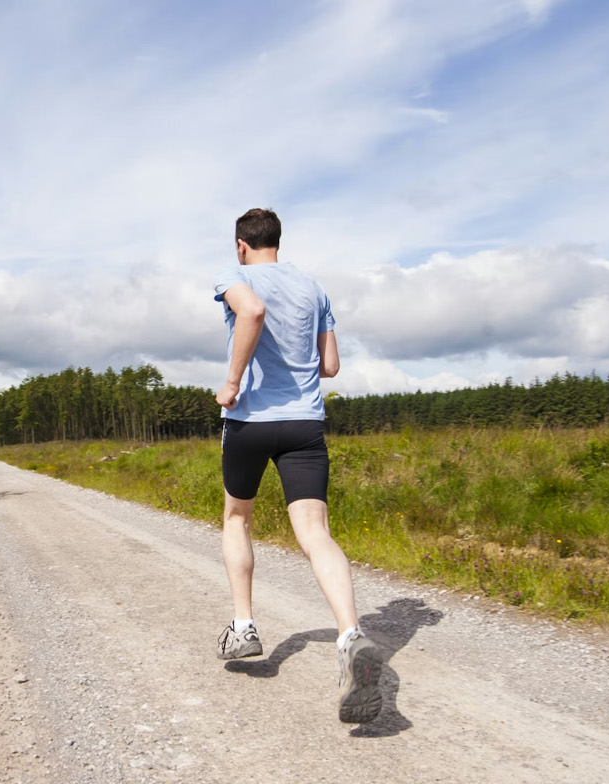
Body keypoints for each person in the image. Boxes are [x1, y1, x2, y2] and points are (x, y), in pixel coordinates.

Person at [212, 208, 382, 723]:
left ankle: (244, 627)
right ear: (277, 241)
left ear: (241, 245)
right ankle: (350, 634)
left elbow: (252, 311)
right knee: (315, 533)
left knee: (237, 517)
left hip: (250, 421)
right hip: (305, 424)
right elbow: (330, 365)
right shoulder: (313, 288)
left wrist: (233, 383)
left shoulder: (234, 276)